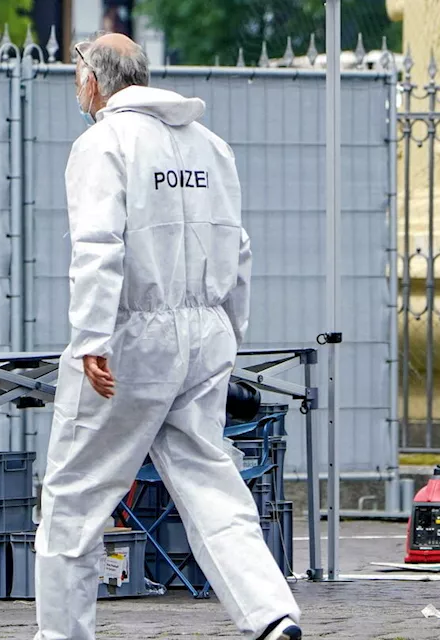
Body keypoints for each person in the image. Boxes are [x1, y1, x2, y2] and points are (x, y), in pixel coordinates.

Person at [34, 33, 302, 640]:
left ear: (96, 81)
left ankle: (61, 634)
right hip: (204, 332)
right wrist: (229, 334)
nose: (77, 86)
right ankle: (271, 614)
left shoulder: (102, 144)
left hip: (131, 333)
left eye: (79, 74)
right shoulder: (209, 146)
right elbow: (239, 249)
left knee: (74, 494)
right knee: (210, 479)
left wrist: (91, 339)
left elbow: (99, 247)